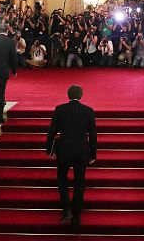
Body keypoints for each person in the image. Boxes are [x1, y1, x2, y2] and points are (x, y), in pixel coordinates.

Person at [45, 85, 98, 228]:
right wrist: (93, 153)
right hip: (81, 152)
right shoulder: (88, 111)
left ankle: (66, 210)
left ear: (68, 95)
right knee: (79, 183)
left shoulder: (60, 109)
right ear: (81, 95)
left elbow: (52, 131)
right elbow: (93, 135)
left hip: (64, 151)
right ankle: (76, 216)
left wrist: (49, 149)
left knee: (62, 179)